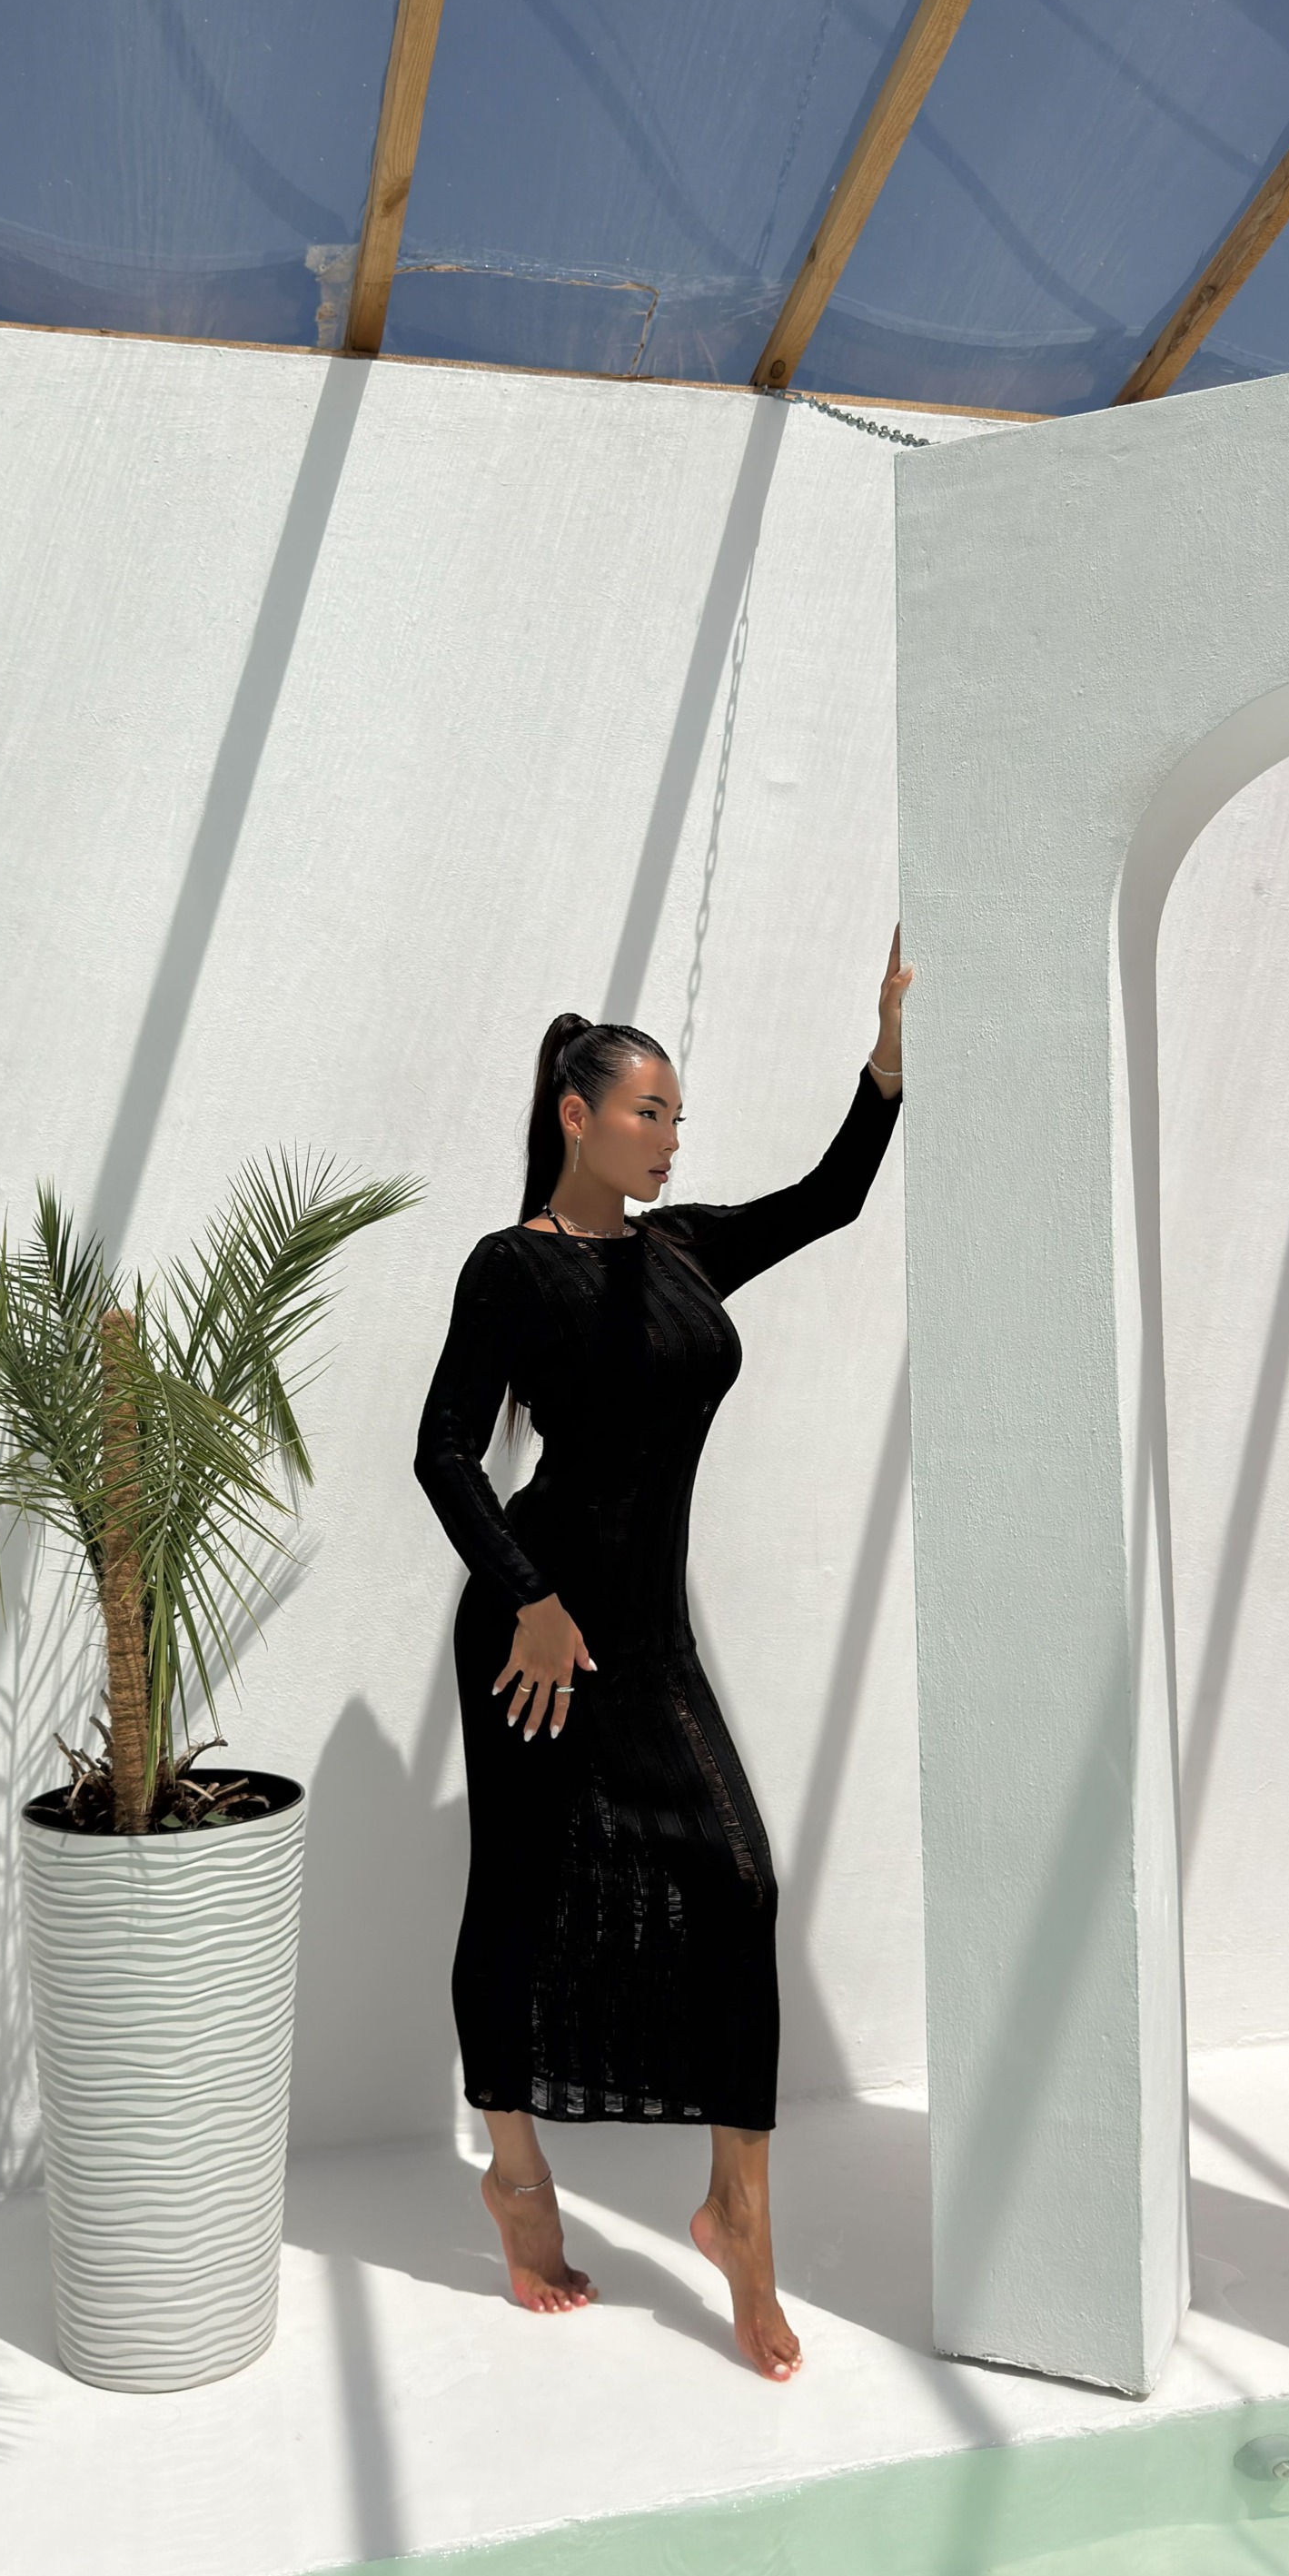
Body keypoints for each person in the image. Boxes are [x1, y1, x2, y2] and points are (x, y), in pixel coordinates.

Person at [412, 932, 911, 2380]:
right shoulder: (511, 1267)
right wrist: (527, 1597)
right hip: (536, 1634)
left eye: (678, 1116)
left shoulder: (682, 1252)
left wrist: (885, 1064)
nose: (670, 1136)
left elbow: (829, 1198)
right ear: (577, 1116)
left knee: (738, 1880)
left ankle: (736, 2212)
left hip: (645, 1633)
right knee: (516, 1890)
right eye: (649, 1112)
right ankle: (516, 2177)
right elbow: (444, 1452)